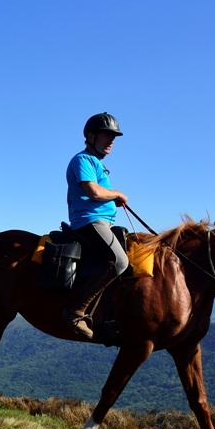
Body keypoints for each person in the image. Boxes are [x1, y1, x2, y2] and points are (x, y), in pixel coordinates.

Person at [62, 112, 130, 338]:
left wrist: (112, 197)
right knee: (119, 261)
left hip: (102, 222)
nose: (111, 140)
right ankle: (76, 312)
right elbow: (93, 191)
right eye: (106, 135)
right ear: (90, 136)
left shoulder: (96, 163)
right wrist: (116, 193)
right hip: (89, 221)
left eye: (114, 137)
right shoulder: (83, 160)